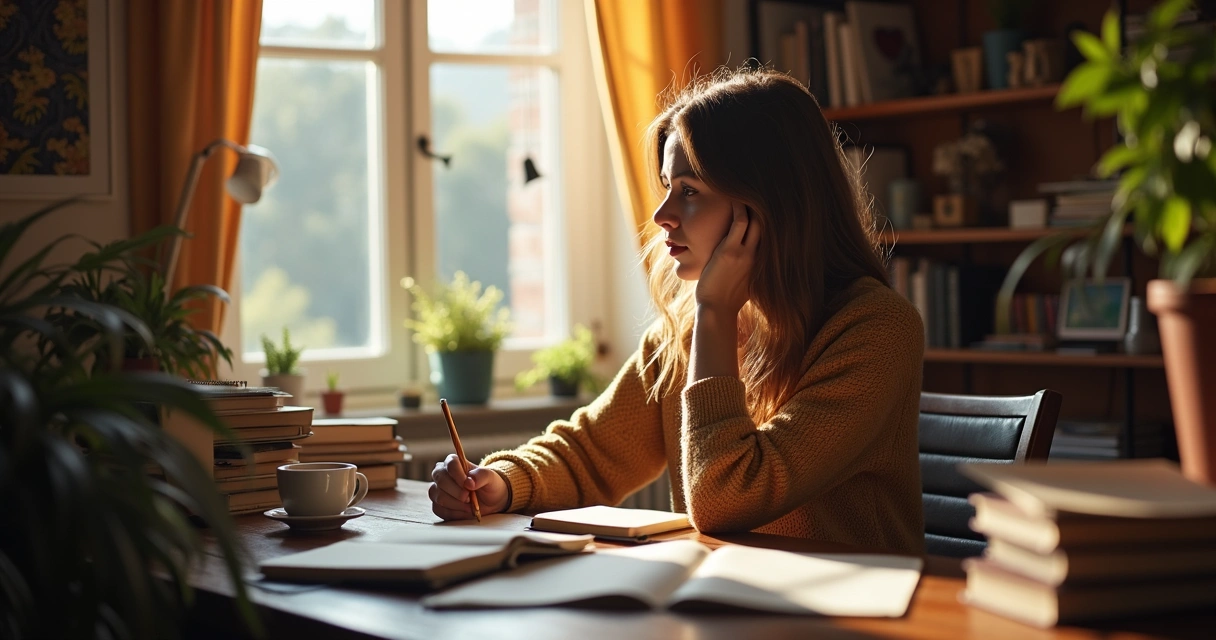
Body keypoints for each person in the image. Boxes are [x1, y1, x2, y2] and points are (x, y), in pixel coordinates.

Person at [429, 67, 925, 554]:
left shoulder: (876, 330)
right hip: (731, 595)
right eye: (667, 186)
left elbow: (726, 499)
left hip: (856, 602)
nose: (661, 215)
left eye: (689, 191)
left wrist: (715, 314)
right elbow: (591, 454)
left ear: (769, 205)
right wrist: (501, 483)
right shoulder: (687, 332)